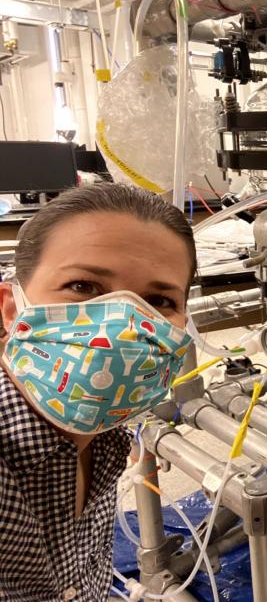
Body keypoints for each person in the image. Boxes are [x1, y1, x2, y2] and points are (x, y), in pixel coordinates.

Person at [0, 184, 195, 600]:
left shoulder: (104, 436)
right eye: (84, 287)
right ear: (12, 308)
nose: (124, 327)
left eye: (159, 299)